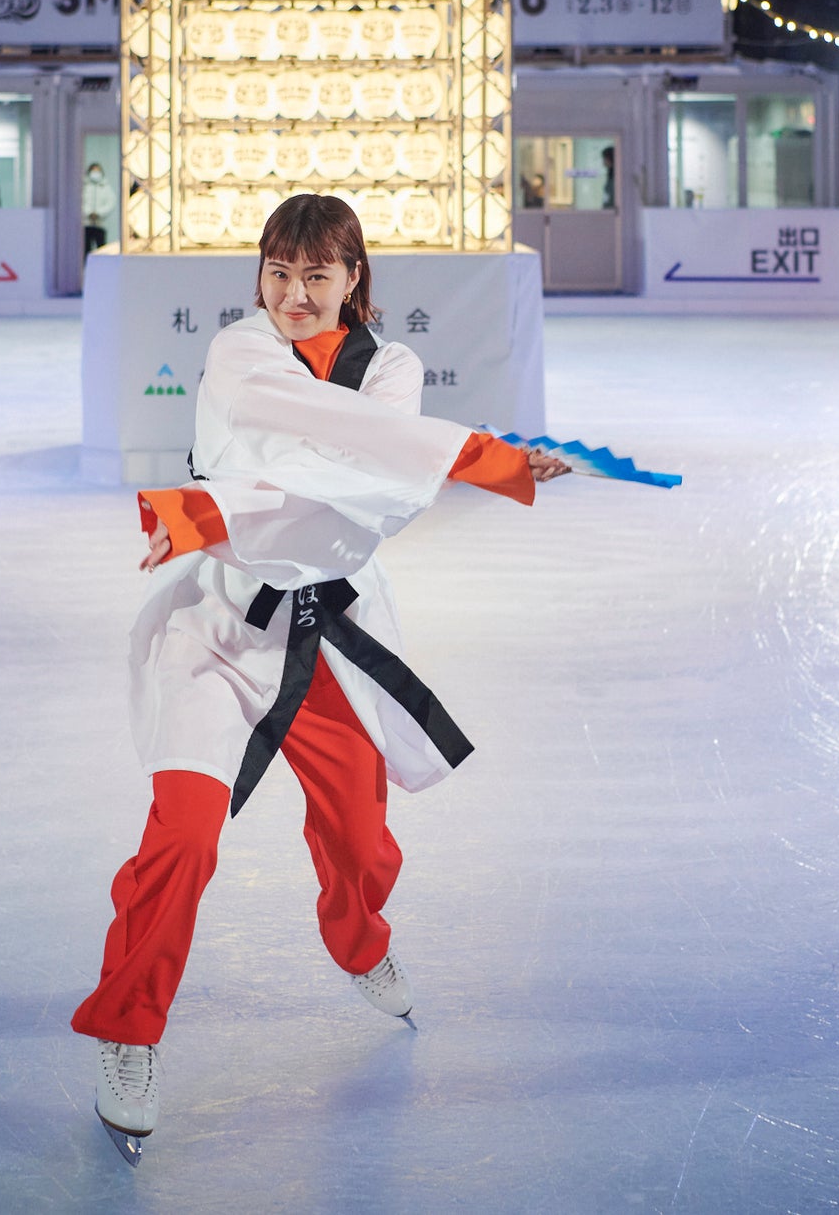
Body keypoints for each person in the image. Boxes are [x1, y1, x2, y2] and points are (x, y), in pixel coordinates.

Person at [72, 193, 569, 1163]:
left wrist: (211, 508)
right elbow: (312, 434)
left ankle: (361, 936)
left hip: (330, 639)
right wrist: (474, 457)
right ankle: (129, 1031)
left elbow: (370, 491)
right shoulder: (239, 353)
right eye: (278, 272)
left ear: (355, 280)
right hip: (216, 628)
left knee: (360, 841)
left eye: (316, 276)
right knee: (180, 838)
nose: (293, 295)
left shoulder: (392, 369)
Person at [82, 160, 115, 252]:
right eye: (93, 171)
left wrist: (99, 213)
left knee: (101, 250)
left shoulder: (105, 187)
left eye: (98, 171)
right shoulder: (84, 187)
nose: (95, 173)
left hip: (100, 224)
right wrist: (88, 213)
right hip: (86, 224)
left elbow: (110, 203)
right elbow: (80, 202)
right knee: (86, 250)